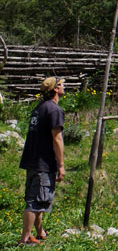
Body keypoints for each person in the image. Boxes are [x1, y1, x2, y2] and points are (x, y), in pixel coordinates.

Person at [18, 77, 66, 245]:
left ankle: (39, 232)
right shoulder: (54, 110)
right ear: (55, 90)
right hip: (43, 162)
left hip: (31, 161)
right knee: (36, 201)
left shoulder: (39, 108)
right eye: (61, 84)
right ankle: (24, 239)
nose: (63, 86)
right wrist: (61, 165)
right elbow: (57, 139)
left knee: (39, 198)